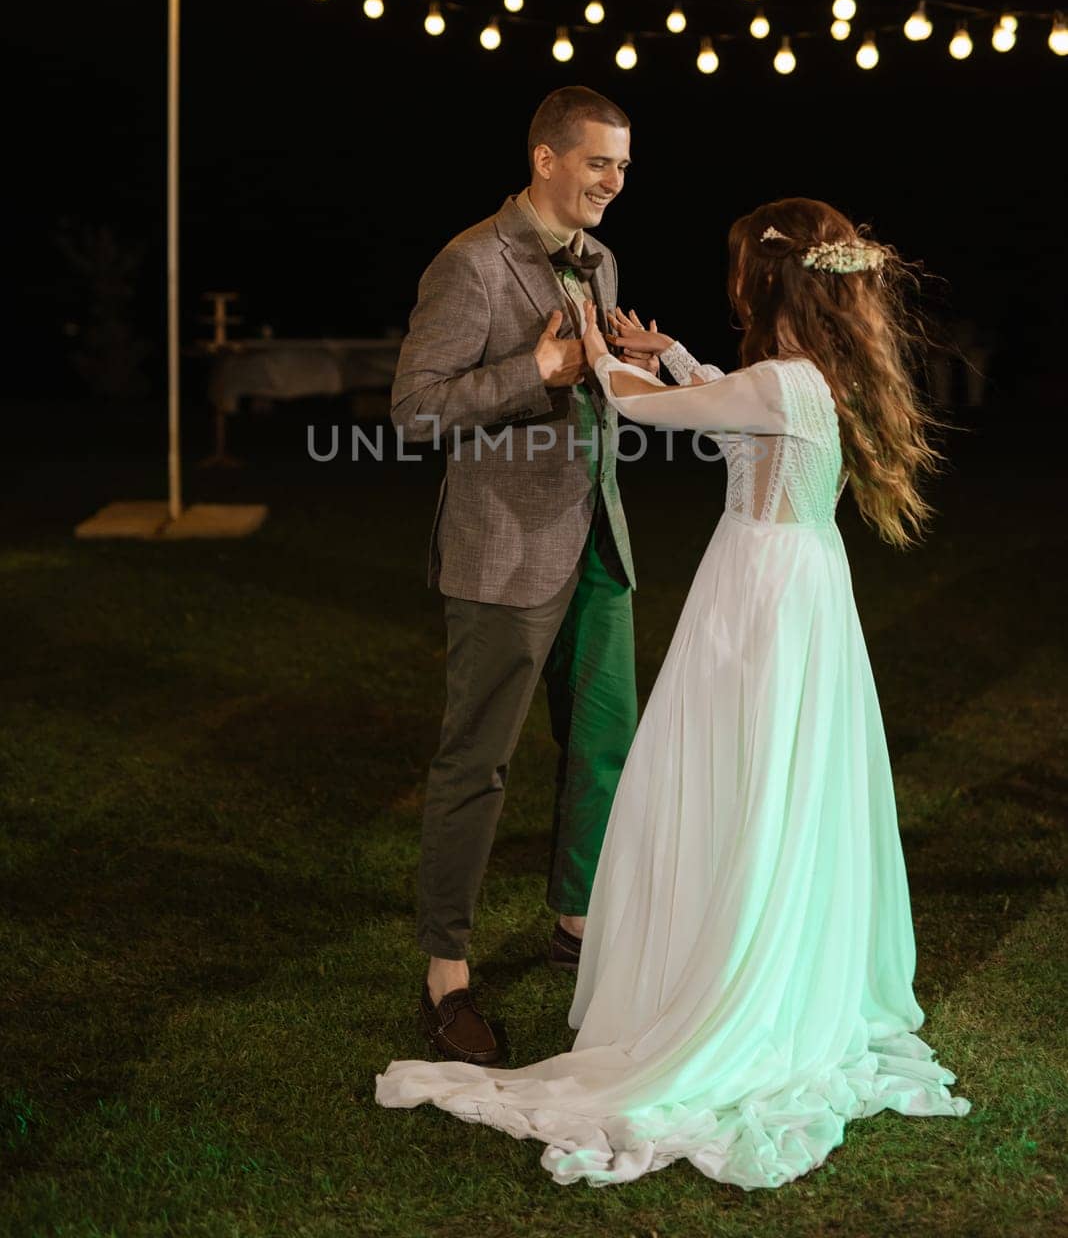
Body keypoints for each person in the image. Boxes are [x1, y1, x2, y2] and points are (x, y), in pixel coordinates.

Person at [375, 197, 972, 1189]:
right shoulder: (801, 380)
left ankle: (732, 966)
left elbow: (656, 409)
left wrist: (588, 362)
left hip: (761, 594)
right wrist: (677, 352)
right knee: (765, 772)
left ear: (767, 281)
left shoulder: (782, 381)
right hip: (793, 584)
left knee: (737, 760)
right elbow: (732, 408)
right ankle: (740, 931)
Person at [388, 86, 658, 1066]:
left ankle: (579, 924)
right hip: (504, 551)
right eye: (599, 163)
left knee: (603, 749)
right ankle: (446, 975)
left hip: (598, 542)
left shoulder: (600, 260)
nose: (615, 182)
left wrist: (629, 365)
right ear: (545, 159)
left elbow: (591, 389)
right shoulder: (470, 263)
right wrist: (529, 376)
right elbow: (414, 410)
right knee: (479, 763)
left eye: (624, 166)